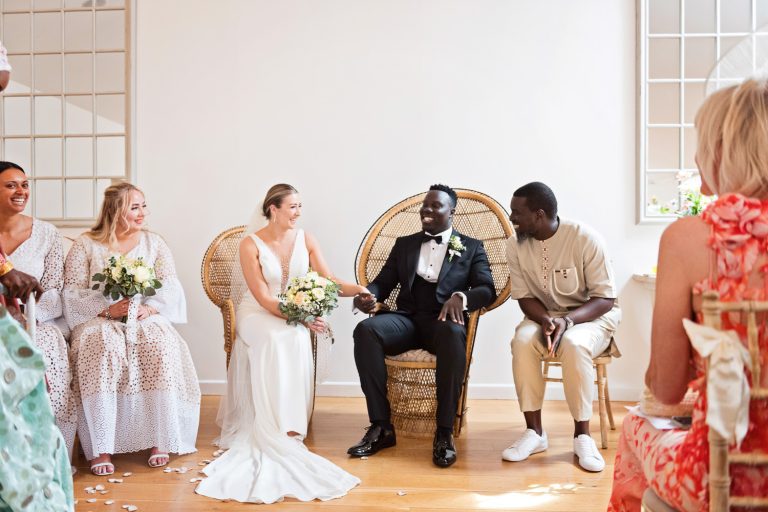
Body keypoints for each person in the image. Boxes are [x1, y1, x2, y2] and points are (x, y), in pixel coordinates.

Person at [609, 81, 768, 510]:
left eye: (701, 144)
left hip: (724, 480)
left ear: (723, 151)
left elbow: (665, 389)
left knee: (634, 427)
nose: (696, 158)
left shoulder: (689, 240)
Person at [196, 183, 363, 504]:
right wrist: (302, 316)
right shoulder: (250, 244)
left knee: (296, 336)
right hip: (257, 313)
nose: (298, 213)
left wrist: (360, 290)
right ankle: (270, 425)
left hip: (292, 312)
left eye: (300, 206)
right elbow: (262, 296)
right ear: (273, 209)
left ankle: (292, 426)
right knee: (275, 338)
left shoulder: (306, 239)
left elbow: (328, 280)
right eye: (292, 207)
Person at [348, 184, 496, 468]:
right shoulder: (404, 244)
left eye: (435, 205)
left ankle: (444, 432)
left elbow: (487, 289)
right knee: (366, 330)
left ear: (452, 212)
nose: (427, 210)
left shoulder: (472, 247)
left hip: (442, 322)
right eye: (425, 205)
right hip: (407, 319)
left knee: (454, 332)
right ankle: (381, 426)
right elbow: (383, 282)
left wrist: (461, 297)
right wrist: (367, 295)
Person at [63, 182, 200, 476]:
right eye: (134, 207)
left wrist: (149, 310)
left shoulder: (155, 243)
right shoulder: (85, 244)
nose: (143, 213)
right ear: (115, 210)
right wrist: (106, 310)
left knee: (158, 341)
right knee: (101, 344)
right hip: (99, 317)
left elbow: (170, 286)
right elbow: (71, 292)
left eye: (143, 206)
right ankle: (101, 446)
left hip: (143, 313)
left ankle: (159, 438)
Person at [503, 182, 620, 473]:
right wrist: (546, 320)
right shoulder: (514, 245)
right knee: (522, 341)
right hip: (544, 316)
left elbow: (605, 298)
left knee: (574, 343)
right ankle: (534, 433)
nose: (511, 217)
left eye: (517, 212)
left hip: (592, 317)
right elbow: (524, 296)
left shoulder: (585, 238)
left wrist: (567, 321)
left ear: (539, 215)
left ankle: (582, 436)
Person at [0, 161, 77, 458]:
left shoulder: (47, 233)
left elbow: (54, 290)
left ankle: (48, 452)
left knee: (41, 345)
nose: (21, 191)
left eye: (24, 185)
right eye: (10, 185)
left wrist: (27, 317)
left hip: (38, 320)